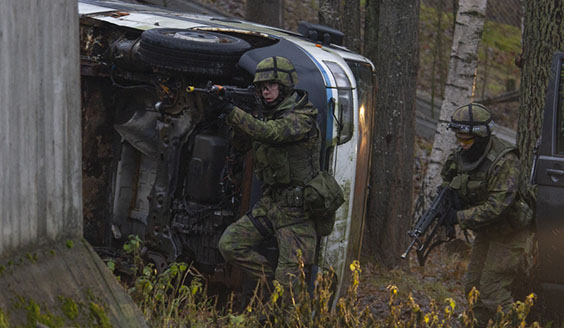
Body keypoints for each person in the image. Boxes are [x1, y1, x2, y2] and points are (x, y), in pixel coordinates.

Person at [217, 56, 320, 301]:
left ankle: (281, 300)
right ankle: (269, 282)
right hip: (271, 205)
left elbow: (271, 134)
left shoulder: (302, 116)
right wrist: (226, 113)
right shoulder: (266, 116)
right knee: (229, 245)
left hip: (297, 213)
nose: (266, 92)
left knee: (290, 288)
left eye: (271, 86)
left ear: (284, 86)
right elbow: (243, 144)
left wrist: (233, 112)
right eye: (262, 88)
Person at [441, 103, 533, 327]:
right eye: (458, 139)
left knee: (492, 291)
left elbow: (497, 207)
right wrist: (449, 198)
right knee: (472, 288)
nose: (462, 145)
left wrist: (458, 217)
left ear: (481, 136)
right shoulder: (461, 155)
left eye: (467, 140)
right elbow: (448, 178)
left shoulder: (505, 161)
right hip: (488, 231)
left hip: (511, 232)